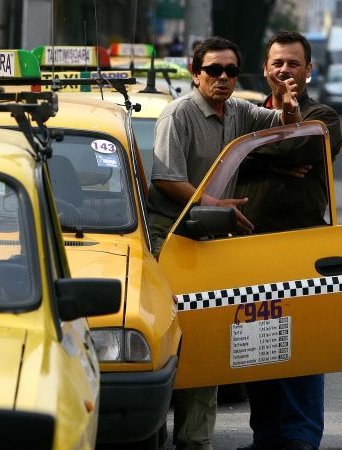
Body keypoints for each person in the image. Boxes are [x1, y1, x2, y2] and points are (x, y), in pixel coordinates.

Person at [146, 36, 301, 450]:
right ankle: (148, 432)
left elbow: (282, 129)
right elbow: (164, 177)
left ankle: (195, 441)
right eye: (213, 70)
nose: (223, 78)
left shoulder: (239, 111)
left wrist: (287, 103)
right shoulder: (177, 114)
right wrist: (213, 203)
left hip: (213, 240)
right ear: (195, 74)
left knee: (209, 339)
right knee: (166, 338)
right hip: (171, 237)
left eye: (231, 71)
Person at [235, 31, 341, 450]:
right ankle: (267, 438)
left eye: (293, 63)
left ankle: (298, 439)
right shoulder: (247, 116)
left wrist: (251, 154)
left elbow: (301, 150)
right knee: (258, 347)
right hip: (247, 249)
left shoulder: (324, 116)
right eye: (277, 63)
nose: (284, 70)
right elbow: (228, 154)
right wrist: (266, 157)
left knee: (301, 347)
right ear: (265, 69)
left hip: (303, 253)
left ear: (309, 70)